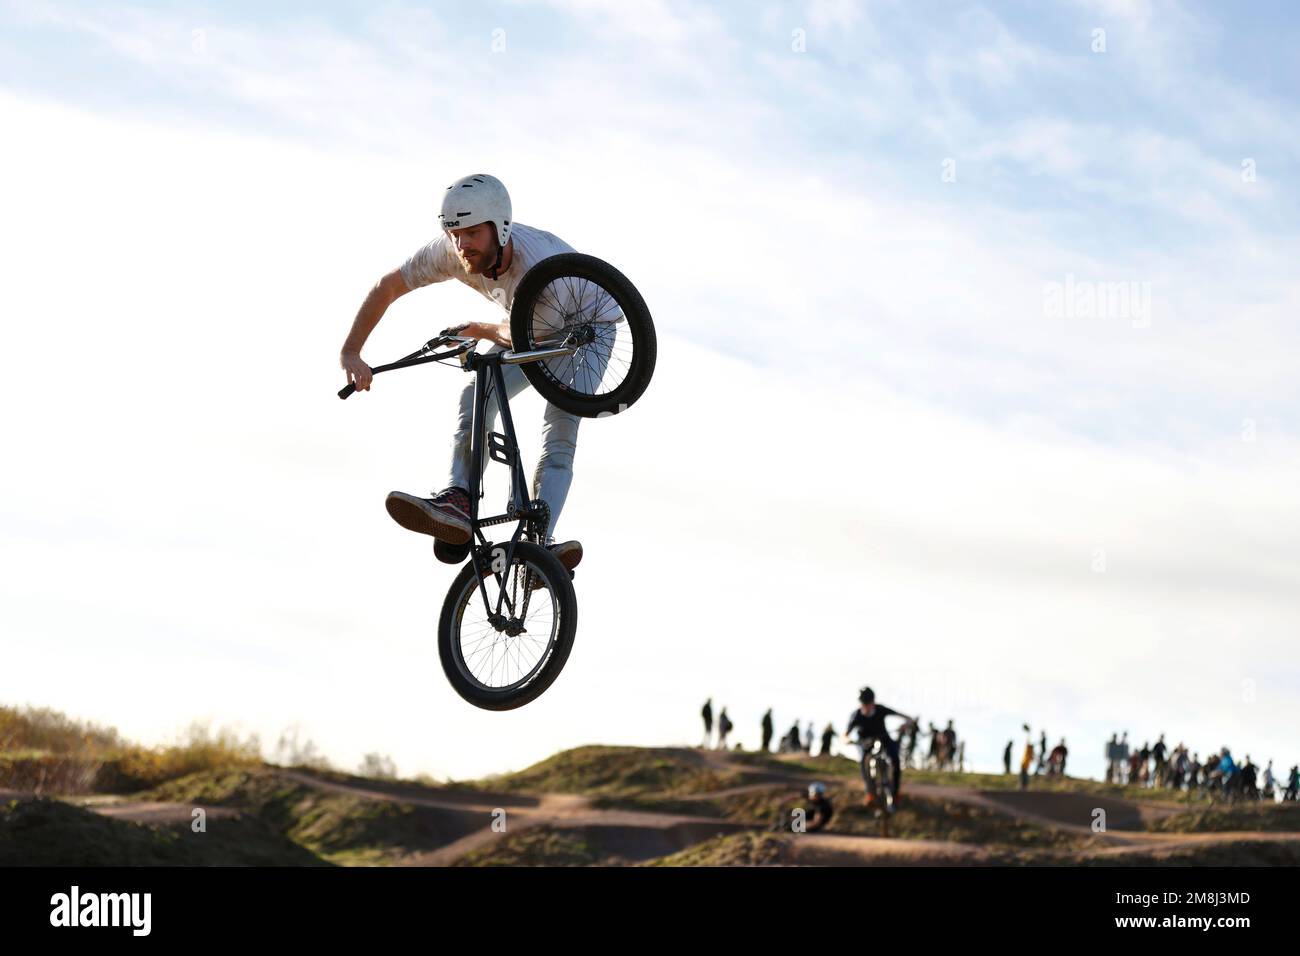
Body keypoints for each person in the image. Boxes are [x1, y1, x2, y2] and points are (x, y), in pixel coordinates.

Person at [342, 173, 594, 570]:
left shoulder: (538, 267)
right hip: (527, 324)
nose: (463, 245)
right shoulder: (449, 252)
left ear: (501, 228)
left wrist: (476, 330)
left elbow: (528, 341)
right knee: (474, 395)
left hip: (587, 326)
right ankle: (459, 500)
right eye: (455, 233)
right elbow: (388, 286)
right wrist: (352, 351)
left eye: (472, 233)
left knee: (560, 427)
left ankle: (540, 544)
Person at [842, 687, 917, 808]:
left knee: (895, 760)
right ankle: (870, 794)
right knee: (863, 762)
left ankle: (895, 793)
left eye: (870, 703)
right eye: (864, 703)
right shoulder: (856, 716)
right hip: (865, 743)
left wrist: (906, 723)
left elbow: (908, 717)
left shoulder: (880, 709)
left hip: (883, 738)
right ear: (860, 703)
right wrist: (849, 741)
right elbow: (844, 736)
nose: (867, 706)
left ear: (873, 701)